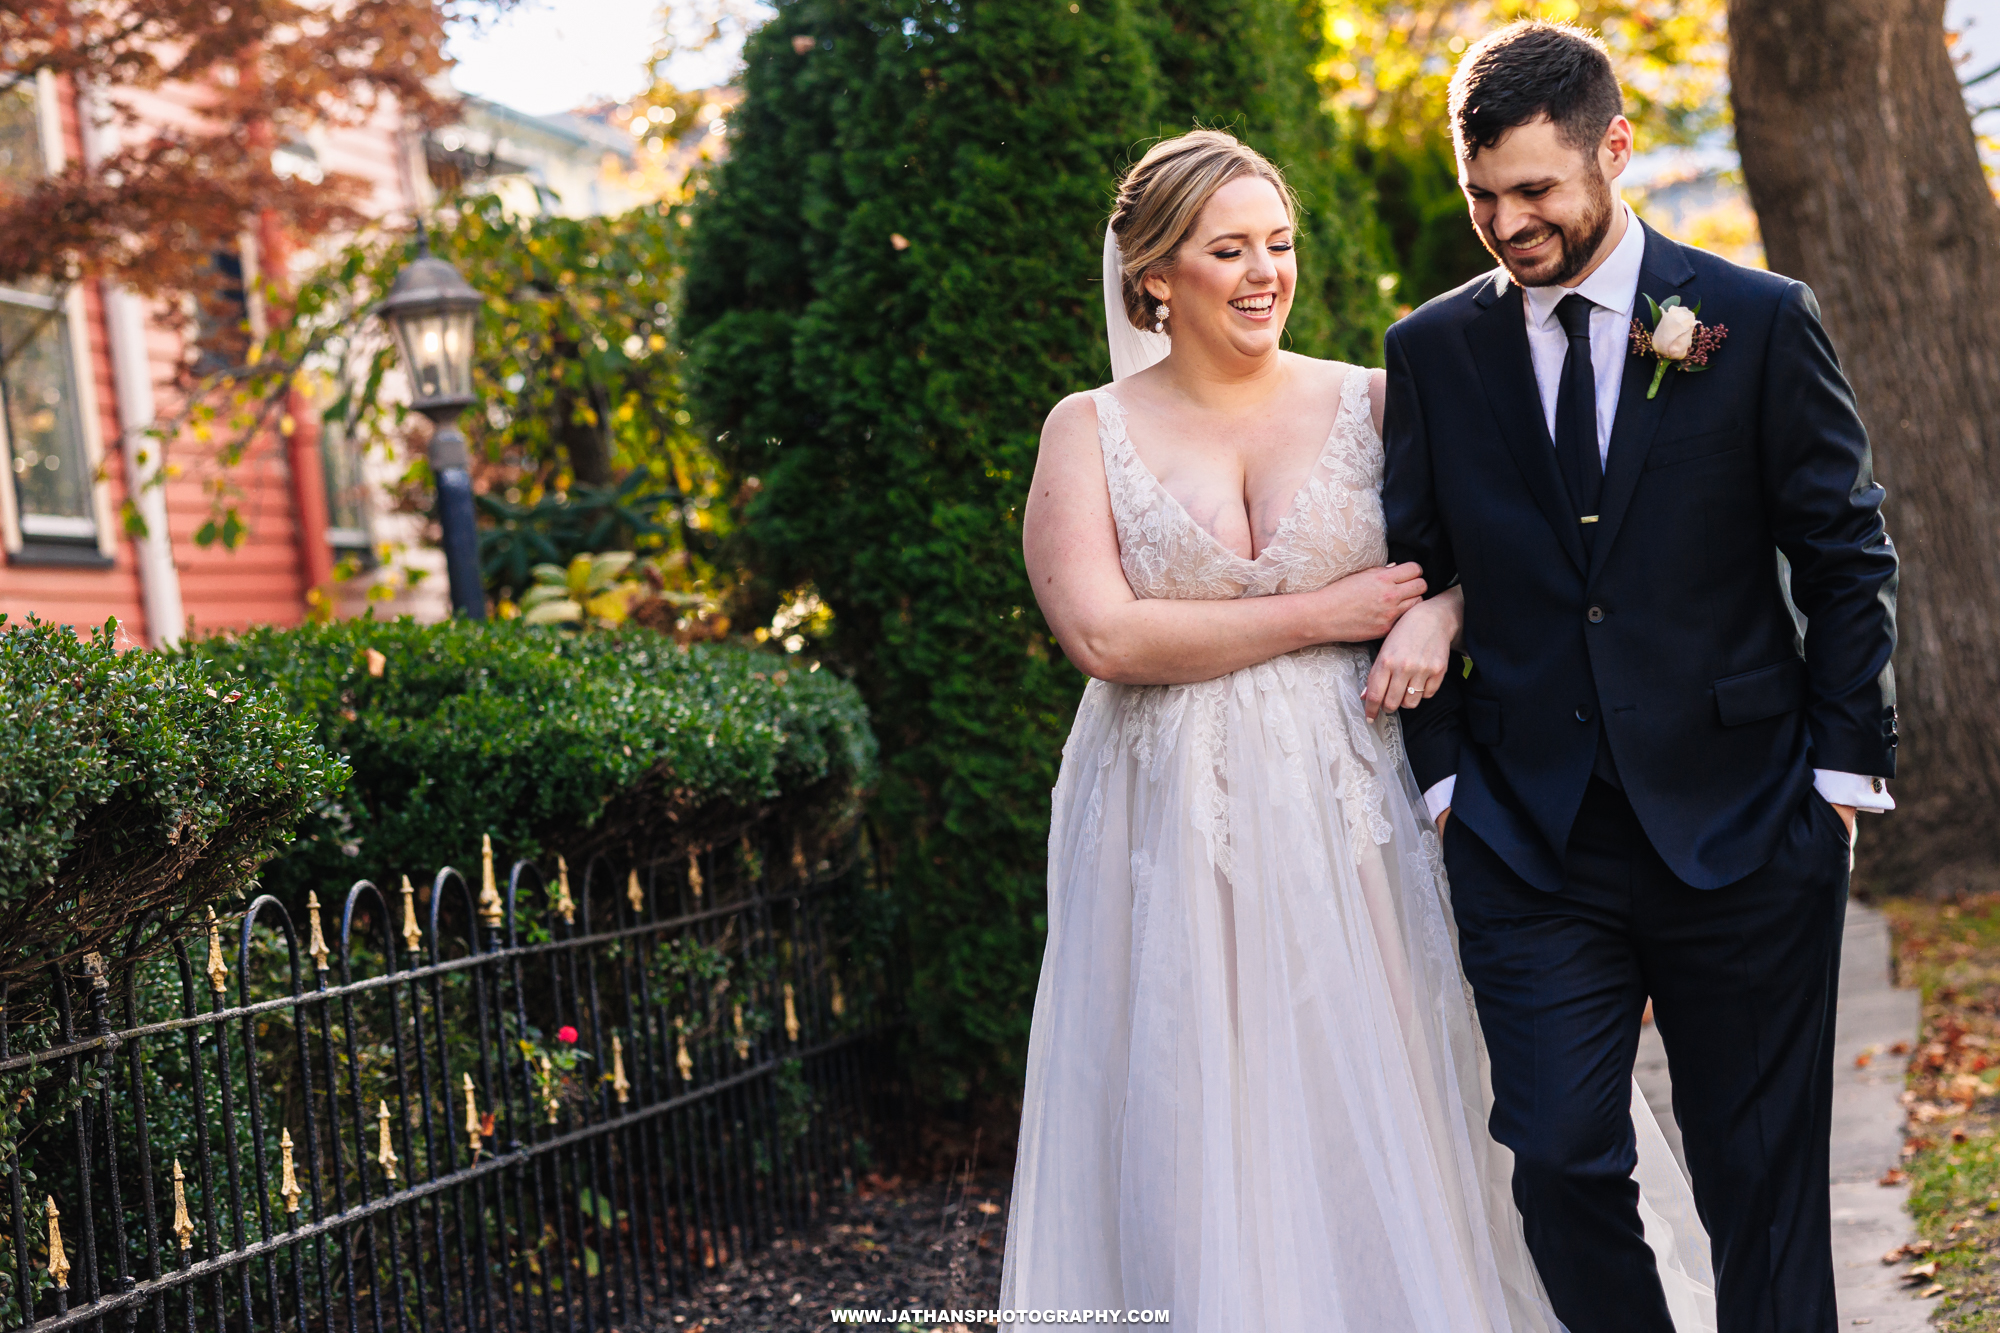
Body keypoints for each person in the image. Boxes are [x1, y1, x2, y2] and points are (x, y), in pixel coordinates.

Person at [1000, 127, 1712, 1331]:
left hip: (1364, 805)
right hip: (1171, 821)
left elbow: (1540, 550)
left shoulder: (1376, 396)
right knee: (1204, 1100)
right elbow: (1107, 638)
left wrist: (1439, 608)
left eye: (1277, 243)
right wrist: (1326, 610)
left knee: (1392, 1078)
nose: (1263, 271)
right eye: (1226, 249)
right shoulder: (1088, 429)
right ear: (1152, 276)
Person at [1384, 22, 1899, 1333]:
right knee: (1556, 1156)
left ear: (1614, 148)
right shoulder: (1434, 353)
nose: (1509, 222)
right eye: (1482, 194)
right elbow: (1415, 567)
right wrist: (1447, 785)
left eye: (1537, 189)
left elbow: (1845, 555)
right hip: (1529, 834)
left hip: (1750, 821)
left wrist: (1837, 784)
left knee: (1762, 1188)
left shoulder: (1759, 322)